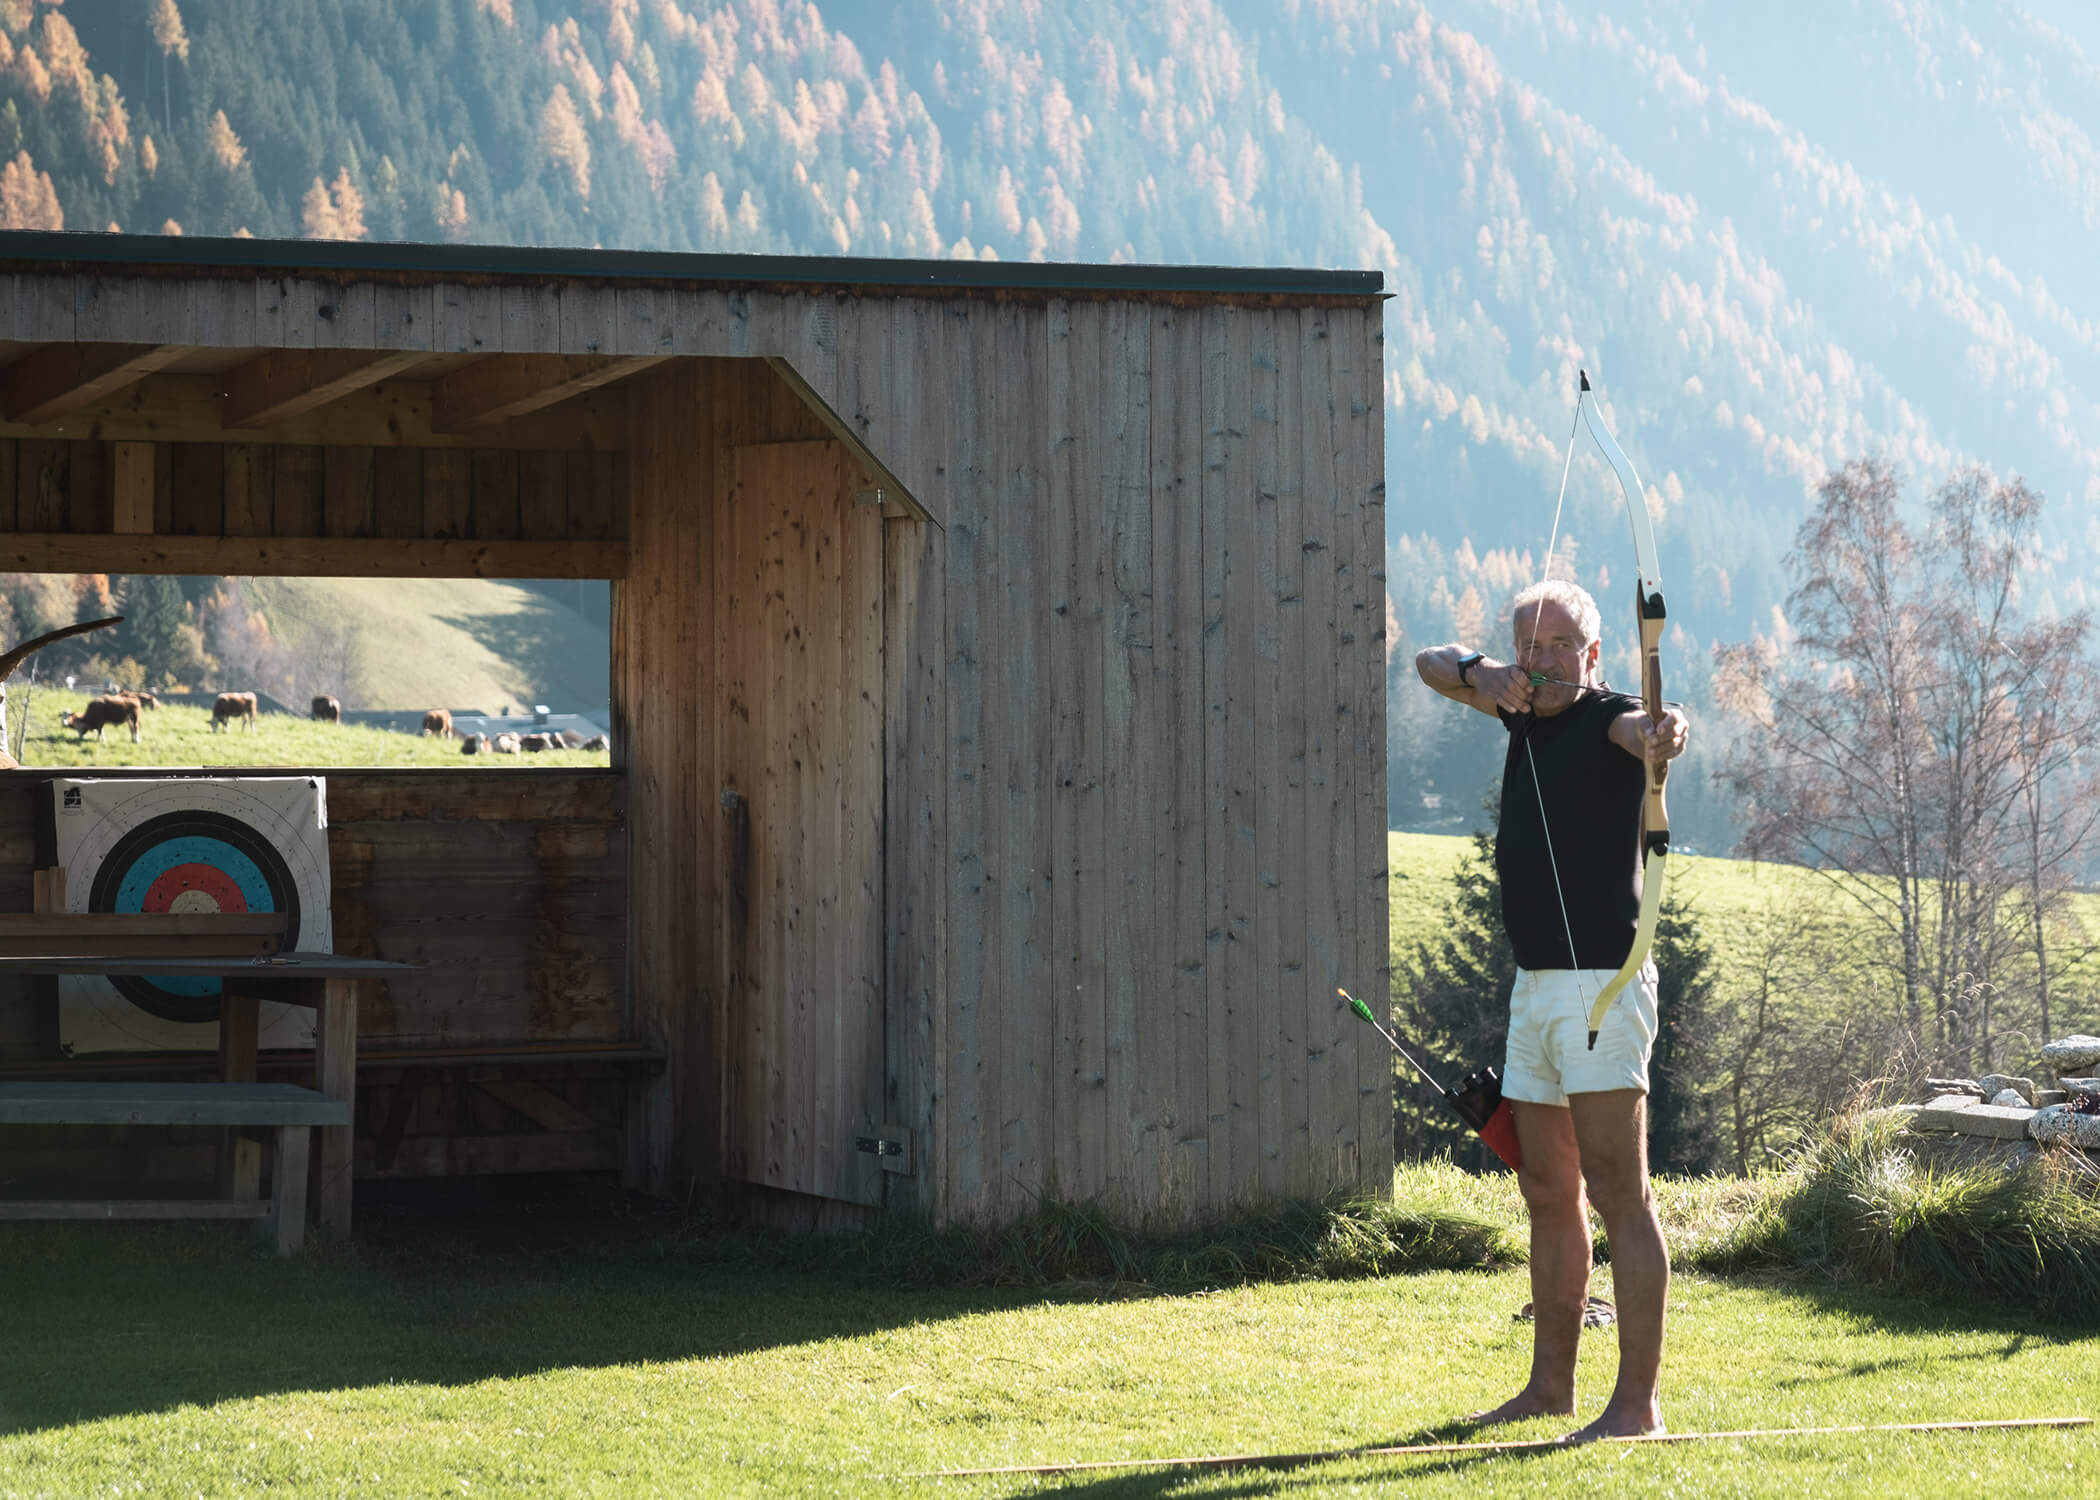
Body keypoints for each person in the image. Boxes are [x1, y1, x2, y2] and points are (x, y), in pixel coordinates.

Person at [1413, 578, 1689, 1443]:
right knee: (1545, 1189)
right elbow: (1429, 663)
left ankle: (1636, 1406)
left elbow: (1650, 728)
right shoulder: (1519, 708)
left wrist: (1663, 730)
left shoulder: (1608, 712)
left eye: (1557, 644)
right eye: (1526, 645)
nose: (1539, 659)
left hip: (1602, 980)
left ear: (1594, 654)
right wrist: (1485, 670)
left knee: (1618, 1190)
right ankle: (1549, 1389)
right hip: (1536, 983)